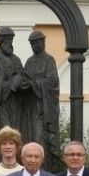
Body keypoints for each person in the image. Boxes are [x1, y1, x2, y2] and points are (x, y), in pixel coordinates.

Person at [24, 30, 61, 167]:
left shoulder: (49, 60)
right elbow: (25, 79)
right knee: (30, 137)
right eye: (33, 44)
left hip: (45, 107)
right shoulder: (29, 62)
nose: (36, 45)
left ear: (43, 42)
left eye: (38, 42)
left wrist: (35, 83)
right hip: (31, 107)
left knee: (41, 138)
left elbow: (52, 82)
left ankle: (45, 169)